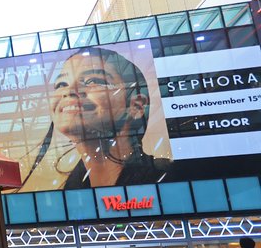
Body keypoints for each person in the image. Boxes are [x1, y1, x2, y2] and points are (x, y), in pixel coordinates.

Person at [21, 47, 171, 190]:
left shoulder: (171, 177)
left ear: (136, 106)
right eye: (61, 84)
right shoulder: (69, 196)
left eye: (93, 81)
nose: (69, 91)